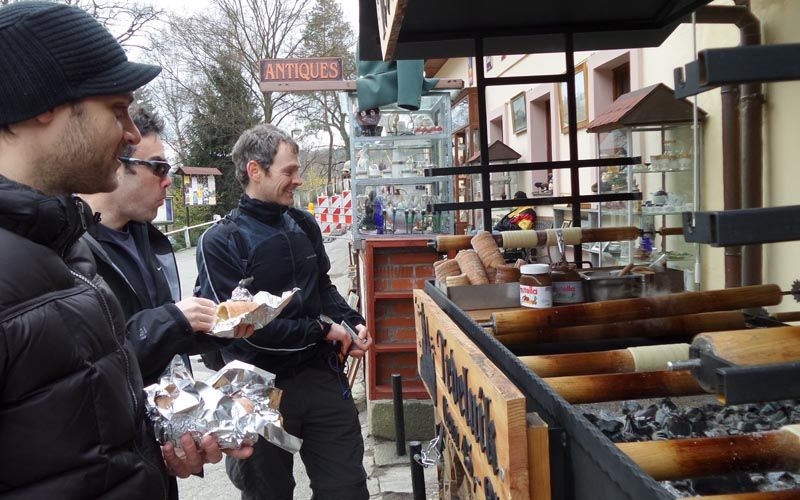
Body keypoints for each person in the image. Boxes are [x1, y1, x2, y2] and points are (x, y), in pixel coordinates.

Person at [0, 3, 250, 499]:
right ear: (42, 104)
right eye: (116, 110)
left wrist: (150, 450)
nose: (132, 133)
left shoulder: (68, 249)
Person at [196, 124, 373, 500]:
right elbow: (244, 328)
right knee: (268, 494)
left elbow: (321, 287)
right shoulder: (220, 241)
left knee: (348, 490)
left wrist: (351, 321)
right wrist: (321, 332)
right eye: (289, 171)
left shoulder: (304, 223)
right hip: (256, 391)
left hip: (320, 377)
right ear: (255, 171)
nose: (298, 179)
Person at [80, 106, 254, 386]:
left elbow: (162, 340)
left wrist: (215, 329)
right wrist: (173, 319)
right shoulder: (69, 250)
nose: (168, 181)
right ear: (115, 163)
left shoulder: (148, 238)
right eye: (158, 167)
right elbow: (92, 365)